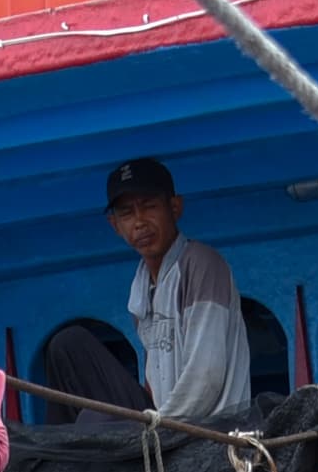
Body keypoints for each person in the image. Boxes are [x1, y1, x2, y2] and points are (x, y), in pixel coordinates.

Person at [104, 155, 248, 422]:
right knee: (69, 351)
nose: (139, 222)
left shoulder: (201, 264)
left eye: (149, 206)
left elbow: (206, 375)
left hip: (206, 430)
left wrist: (159, 429)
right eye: (126, 213)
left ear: (175, 207)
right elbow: (154, 378)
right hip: (168, 429)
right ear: (115, 225)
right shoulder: (141, 288)